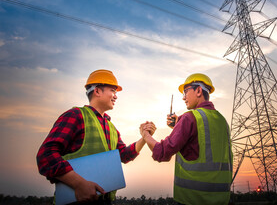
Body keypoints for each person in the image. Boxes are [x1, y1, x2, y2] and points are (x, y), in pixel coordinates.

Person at [37, 69, 155, 205]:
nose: (116, 96)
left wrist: (145, 137)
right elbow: (45, 156)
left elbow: (123, 156)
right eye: (113, 91)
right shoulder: (76, 115)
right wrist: (79, 184)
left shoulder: (112, 128)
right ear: (97, 91)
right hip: (75, 200)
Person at [140, 73, 232, 205]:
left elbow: (162, 152)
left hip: (192, 199)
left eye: (186, 92)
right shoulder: (222, 121)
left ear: (198, 91)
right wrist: (178, 126)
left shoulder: (189, 118)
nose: (183, 98)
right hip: (221, 199)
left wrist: (145, 135)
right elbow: (200, 145)